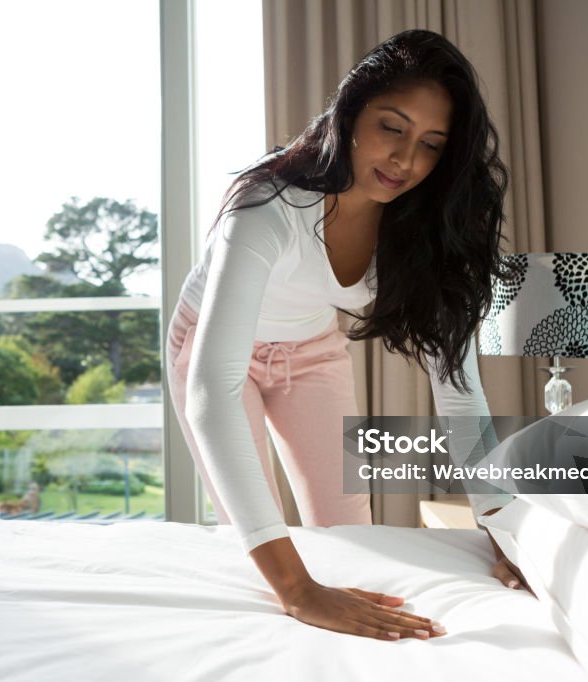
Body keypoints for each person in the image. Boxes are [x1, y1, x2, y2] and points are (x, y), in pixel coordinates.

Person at [165, 29, 525, 643]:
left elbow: (461, 398)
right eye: (392, 127)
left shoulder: (422, 232)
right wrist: (301, 592)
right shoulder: (267, 207)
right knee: (260, 542)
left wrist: (504, 532)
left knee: (347, 532)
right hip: (212, 350)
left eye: (431, 145)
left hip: (312, 353)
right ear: (351, 113)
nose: (405, 161)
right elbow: (213, 389)